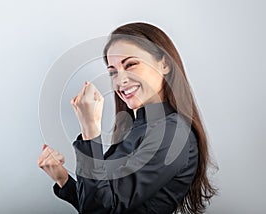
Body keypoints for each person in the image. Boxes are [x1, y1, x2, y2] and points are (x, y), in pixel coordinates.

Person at [38, 22, 217, 214]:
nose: (120, 81)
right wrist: (63, 179)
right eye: (113, 72)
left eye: (131, 64)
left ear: (164, 64)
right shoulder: (138, 128)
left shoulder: (171, 133)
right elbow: (101, 200)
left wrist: (90, 129)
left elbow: (100, 210)